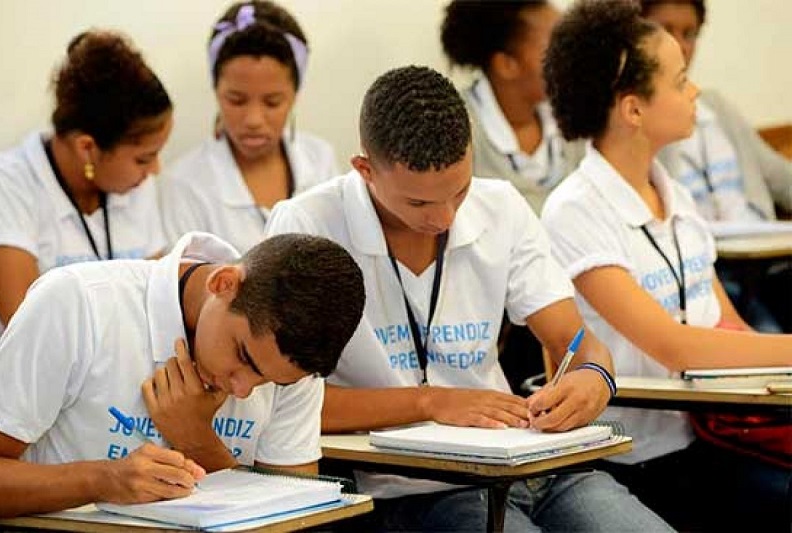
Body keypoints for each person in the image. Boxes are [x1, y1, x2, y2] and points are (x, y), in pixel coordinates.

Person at [266, 65, 672, 532]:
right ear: (364, 171)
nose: (443, 217)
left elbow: (574, 339)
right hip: (420, 488)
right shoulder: (307, 226)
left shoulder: (500, 205)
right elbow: (280, 403)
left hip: (532, 465)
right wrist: (429, 402)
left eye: (458, 191)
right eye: (418, 203)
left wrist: (593, 377)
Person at [539, 1, 792, 530]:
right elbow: (671, 344)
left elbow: (726, 324)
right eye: (680, 82)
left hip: (706, 439)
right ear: (633, 110)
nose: (695, 91)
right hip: (626, 460)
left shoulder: (669, 192)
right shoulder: (575, 209)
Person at [0, 231, 365, 518]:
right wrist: (100, 480)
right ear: (224, 284)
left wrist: (199, 442)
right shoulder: (79, 302)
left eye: (270, 382)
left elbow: (294, 515)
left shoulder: (294, 364)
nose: (242, 389)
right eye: (243, 357)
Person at [0, 31, 171, 348]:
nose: (155, 170)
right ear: (87, 148)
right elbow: (29, 334)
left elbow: (162, 305)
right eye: (144, 158)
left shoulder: (136, 184)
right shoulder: (6, 184)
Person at [640, 0, 792, 333]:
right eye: (665, 30)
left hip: (769, 262)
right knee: (766, 337)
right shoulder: (635, 121)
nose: (680, 44)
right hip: (709, 271)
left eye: (689, 33)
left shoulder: (716, 107)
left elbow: (782, 178)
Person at [160, 0, 337, 253]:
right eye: (236, 100)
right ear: (216, 90)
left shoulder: (321, 162)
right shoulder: (184, 184)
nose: (254, 119)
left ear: (295, 94)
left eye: (272, 102)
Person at [440, 0, 584, 215]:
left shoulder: (575, 117)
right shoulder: (452, 130)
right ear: (506, 65)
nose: (575, 57)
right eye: (559, 46)